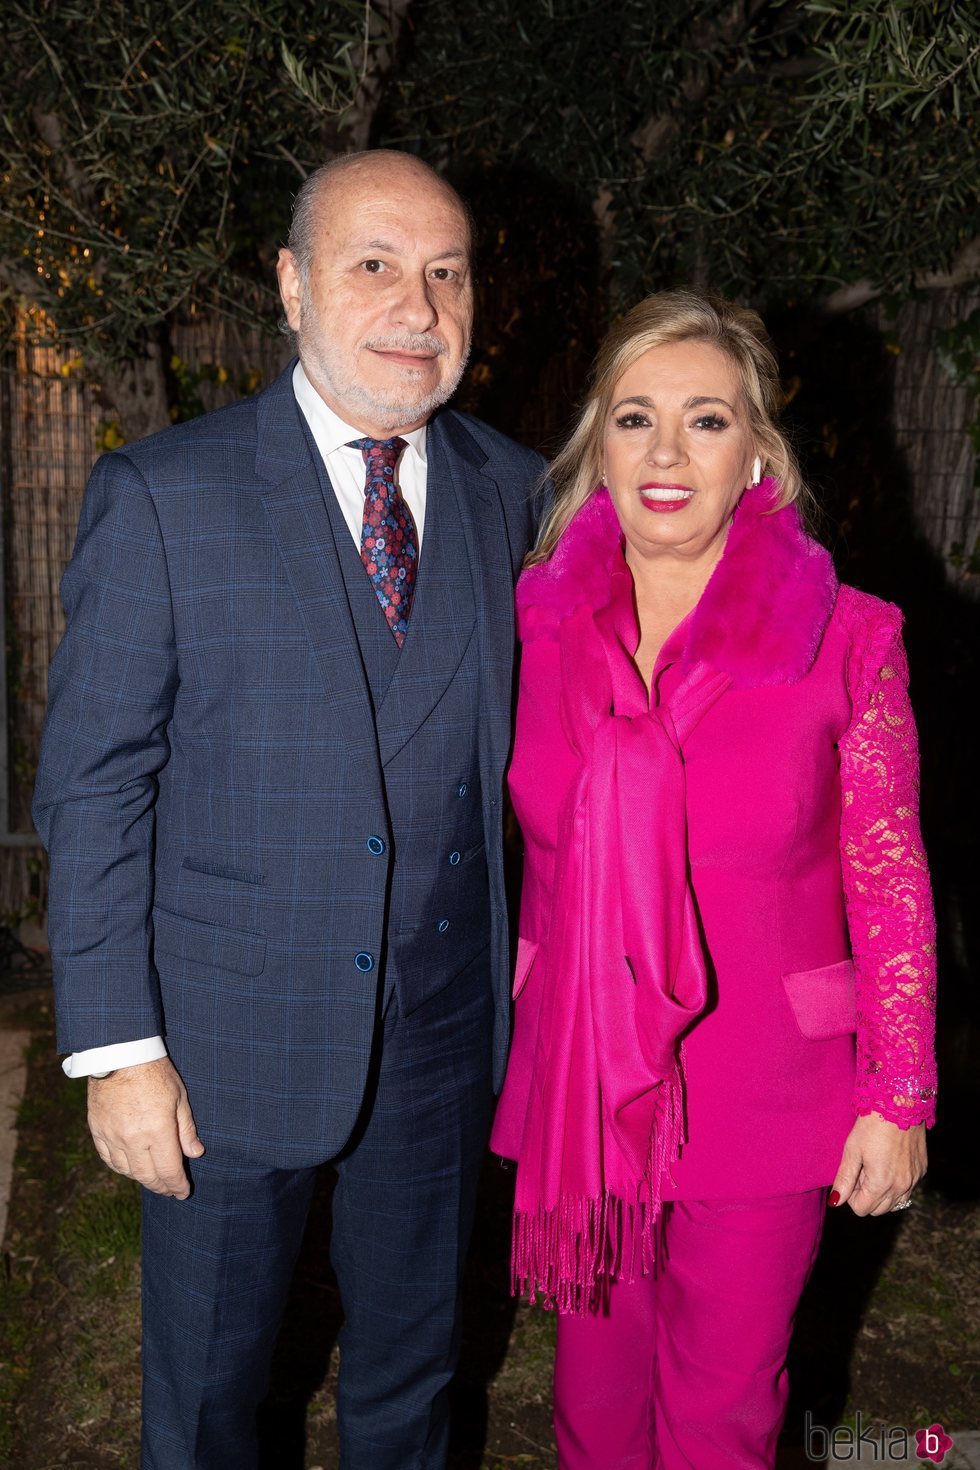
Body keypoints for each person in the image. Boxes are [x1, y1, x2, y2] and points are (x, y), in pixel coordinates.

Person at [33, 149, 546, 1470]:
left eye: (446, 271)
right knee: (207, 1401)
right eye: (374, 263)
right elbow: (93, 787)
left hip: (441, 1046)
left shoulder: (519, 492)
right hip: (219, 1052)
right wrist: (114, 1048)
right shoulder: (167, 496)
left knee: (411, 1385)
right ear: (291, 284)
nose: (416, 306)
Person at [490, 290, 937, 1469]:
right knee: (588, 1405)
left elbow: (888, 878)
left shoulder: (846, 637)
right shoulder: (532, 625)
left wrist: (898, 1097)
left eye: (706, 420)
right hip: (581, 1082)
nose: (667, 453)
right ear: (597, 445)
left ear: (756, 455)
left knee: (718, 1412)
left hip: (766, 1086)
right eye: (635, 419)